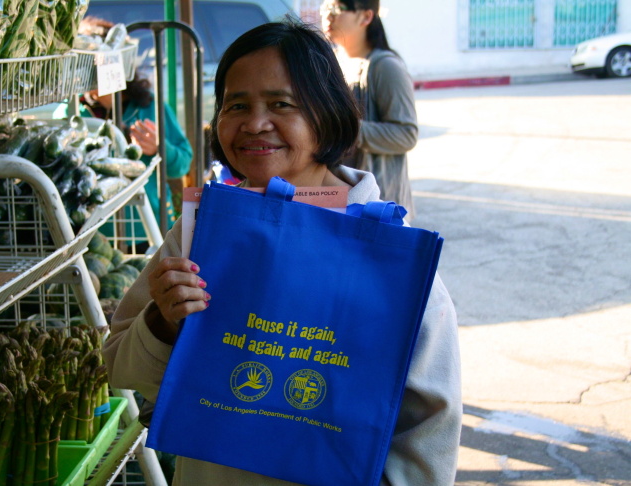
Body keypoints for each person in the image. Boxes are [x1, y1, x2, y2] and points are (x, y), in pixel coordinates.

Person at [103, 19, 461, 486]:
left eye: (281, 104)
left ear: (327, 113)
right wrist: (164, 321)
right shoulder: (200, 231)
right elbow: (121, 367)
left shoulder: (387, 255)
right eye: (236, 105)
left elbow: (429, 426)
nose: (254, 123)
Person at [76, 17, 194, 245]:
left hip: (148, 228)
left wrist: (160, 147)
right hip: (94, 234)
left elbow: (183, 162)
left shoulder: (150, 107)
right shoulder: (73, 114)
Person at [321, 0, 419, 221]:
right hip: (346, 199)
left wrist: (346, 128)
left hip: (380, 204)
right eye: (325, 7)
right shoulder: (335, 62)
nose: (328, 15)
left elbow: (406, 135)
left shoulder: (385, 66)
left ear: (366, 17)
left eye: (337, 8)